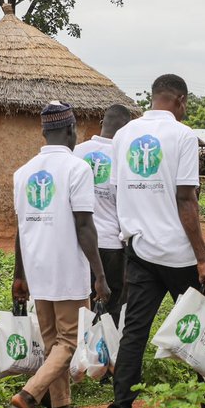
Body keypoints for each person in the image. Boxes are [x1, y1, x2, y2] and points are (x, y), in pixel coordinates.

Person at [107, 74, 205, 408]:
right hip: (179, 254)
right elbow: (186, 198)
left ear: (153, 98)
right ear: (181, 101)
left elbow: (116, 190)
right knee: (203, 327)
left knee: (134, 334)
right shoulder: (183, 136)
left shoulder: (123, 136)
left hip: (138, 250)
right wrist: (202, 258)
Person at [7, 102, 110, 408]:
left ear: (43, 132)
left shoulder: (22, 173)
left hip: (38, 270)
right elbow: (84, 225)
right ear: (70, 131)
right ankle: (27, 397)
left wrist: (19, 275)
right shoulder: (77, 169)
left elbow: (21, 230)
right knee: (69, 341)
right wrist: (100, 274)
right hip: (66, 270)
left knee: (54, 343)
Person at [73, 103, 134, 318]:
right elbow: (128, 205)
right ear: (126, 128)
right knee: (112, 304)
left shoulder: (78, 151)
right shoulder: (124, 158)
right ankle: (106, 349)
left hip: (79, 241)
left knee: (83, 302)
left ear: (102, 123)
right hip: (112, 244)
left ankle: (83, 347)